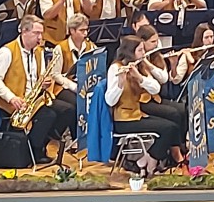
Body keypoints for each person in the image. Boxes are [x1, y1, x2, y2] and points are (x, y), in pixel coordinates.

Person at [0, 15, 75, 163]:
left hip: (34, 98)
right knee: (48, 115)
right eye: (36, 33)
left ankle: (41, 142)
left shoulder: (38, 51)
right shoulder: (7, 51)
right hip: (16, 102)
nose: (40, 37)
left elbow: (40, 76)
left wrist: (44, 83)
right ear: (24, 31)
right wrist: (12, 98)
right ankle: (34, 151)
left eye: (41, 33)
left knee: (68, 110)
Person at [104, 35, 179, 175]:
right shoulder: (115, 68)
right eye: (140, 50)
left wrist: (139, 77)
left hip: (137, 114)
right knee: (168, 128)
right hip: (124, 120)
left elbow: (156, 88)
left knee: (172, 126)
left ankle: (148, 159)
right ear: (130, 52)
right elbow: (110, 101)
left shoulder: (140, 66)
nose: (143, 53)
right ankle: (151, 161)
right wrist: (120, 83)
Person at [136, 25, 187, 167]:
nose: (156, 44)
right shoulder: (135, 59)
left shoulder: (156, 56)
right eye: (153, 42)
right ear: (142, 42)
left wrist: (149, 63)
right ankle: (175, 153)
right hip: (141, 102)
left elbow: (163, 78)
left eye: (156, 41)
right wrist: (143, 61)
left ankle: (180, 146)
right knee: (173, 114)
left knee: (183, 109)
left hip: (155, 98)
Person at [51, 13, 97, 110]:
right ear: (72, 30)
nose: (85, 33)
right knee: (78, 103)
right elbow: (55, 74)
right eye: (82, 30)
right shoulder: (60, 48)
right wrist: (73, 86)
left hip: (85, 84)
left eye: (87, 30)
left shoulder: (91, 46)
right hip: (64, 86)